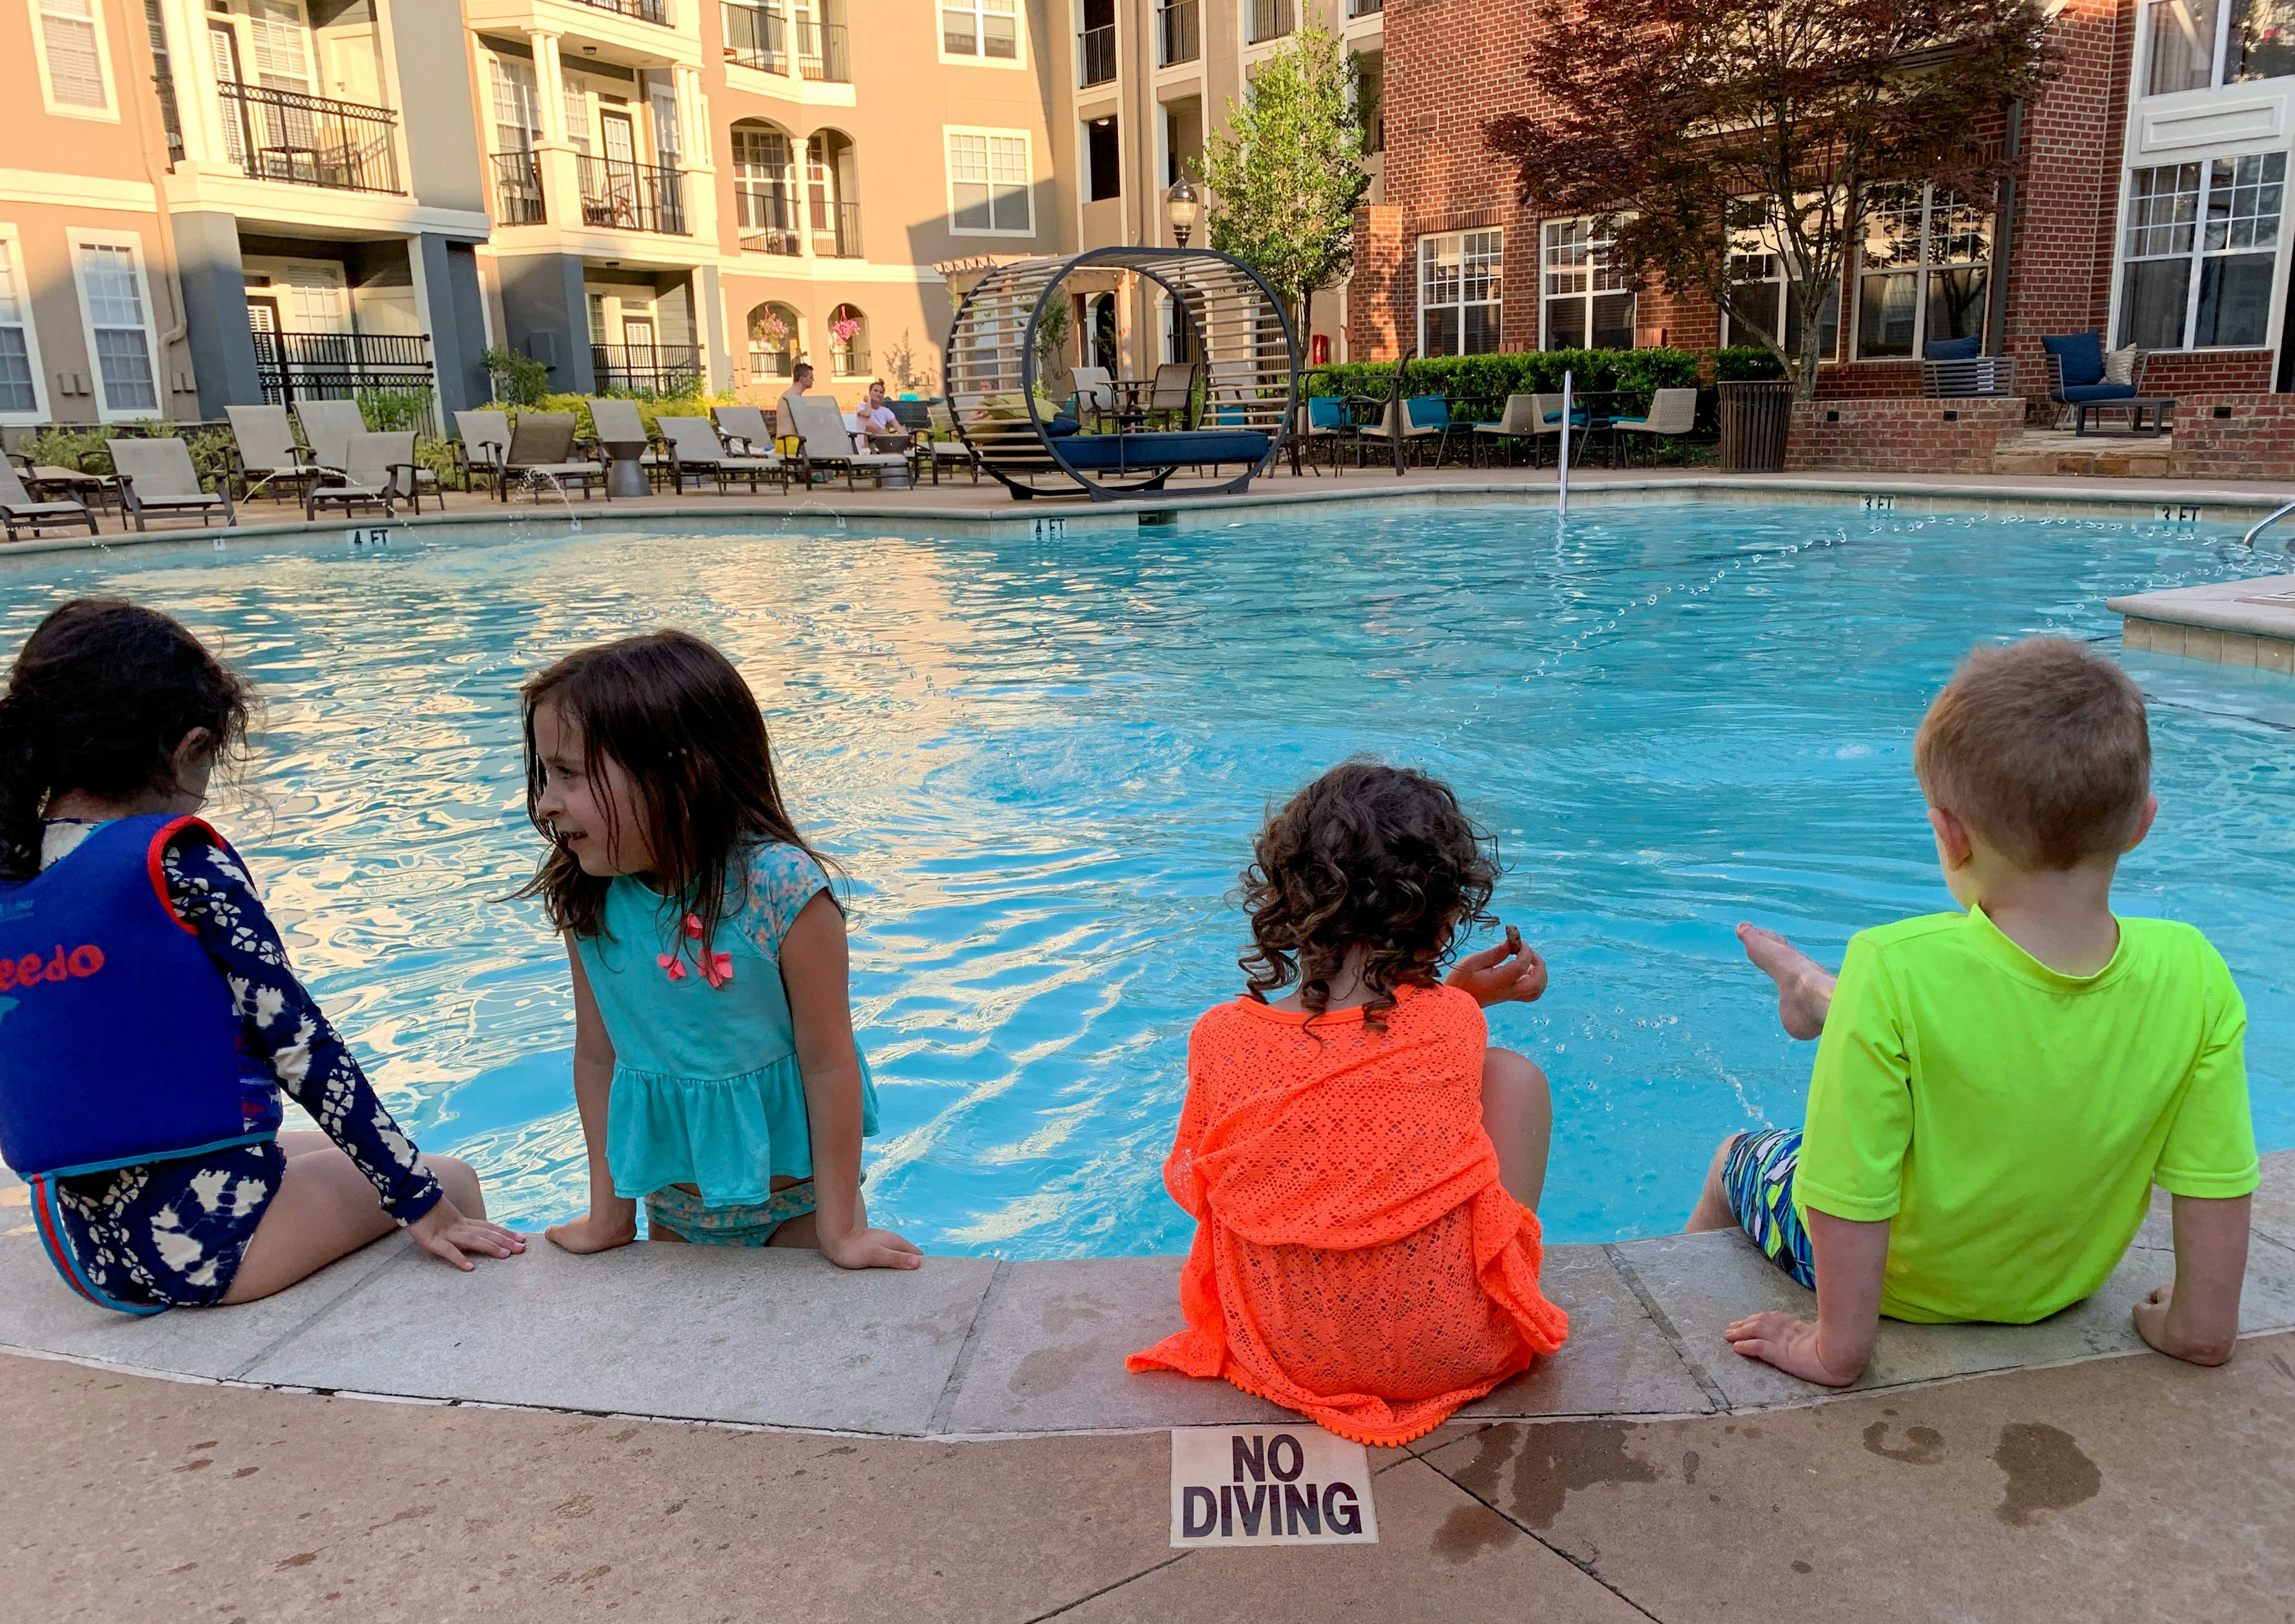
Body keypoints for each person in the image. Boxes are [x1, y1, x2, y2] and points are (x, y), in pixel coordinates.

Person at [1694, 638, 2257, 1387]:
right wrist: (2199, 1326)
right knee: (1924, 1022)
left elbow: (1841, 1184)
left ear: (1949, 834)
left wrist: (1836, 1347)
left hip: (1908, 1289)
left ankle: (1813, 998)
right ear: (2139, 823)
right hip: (2059, 1283)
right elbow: (2214, 1177)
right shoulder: (2194, 968)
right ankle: (1815, 996)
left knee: (1737, 1153)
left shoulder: (1892, 964)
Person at [0, 599, 521, 1314]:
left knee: (310, 1149)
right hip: (206, 1250)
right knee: (450, 1181)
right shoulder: (178, 864)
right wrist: (419, 1201)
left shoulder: (17, 872)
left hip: (95, 1250)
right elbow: (299, 1044)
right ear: (187, 749)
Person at [1128, 761, 1568, 1445]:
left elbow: (1332, 1074)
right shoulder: (1455, 1018)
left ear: (1283, 898)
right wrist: (1456, 993)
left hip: (1280, 1345)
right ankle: (1489, 1290)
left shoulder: (1219, 1036)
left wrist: (1453, 993)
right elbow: (1397, 1049)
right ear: (1450, 910)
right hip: (1451, 1347)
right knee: (1512, 1074)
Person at [522, 630, 920, 1271]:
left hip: (796, 1208)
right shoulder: (590, 898)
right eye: (546, 773)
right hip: (674, 1210)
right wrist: (610, 1215)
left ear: (677, 774)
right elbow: (598, 1058)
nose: (546, 801)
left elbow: (828, 1062)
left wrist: (840, 1230)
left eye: (568, 773)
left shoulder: (781, 890)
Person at [852, 380, 903, 454]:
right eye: (875, 391)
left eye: (881, 392)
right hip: (865, 446)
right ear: (870, 393)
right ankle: (894, 441)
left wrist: (906, 438)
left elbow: (899, 428)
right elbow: (867, 414)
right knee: (870, 426)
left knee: (903, 431)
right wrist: (869, 400)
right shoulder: (861, 407)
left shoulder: (886, 411)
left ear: (883, 396)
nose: (878, 394)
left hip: (881, 443)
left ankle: (902, 444)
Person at [774, 361, 815, 440]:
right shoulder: (793, 398)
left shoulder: (789, 395)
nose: (813, 380)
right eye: (811, 377)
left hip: (787, 442)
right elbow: (804, 423)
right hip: (790, 444)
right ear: (802, 379)